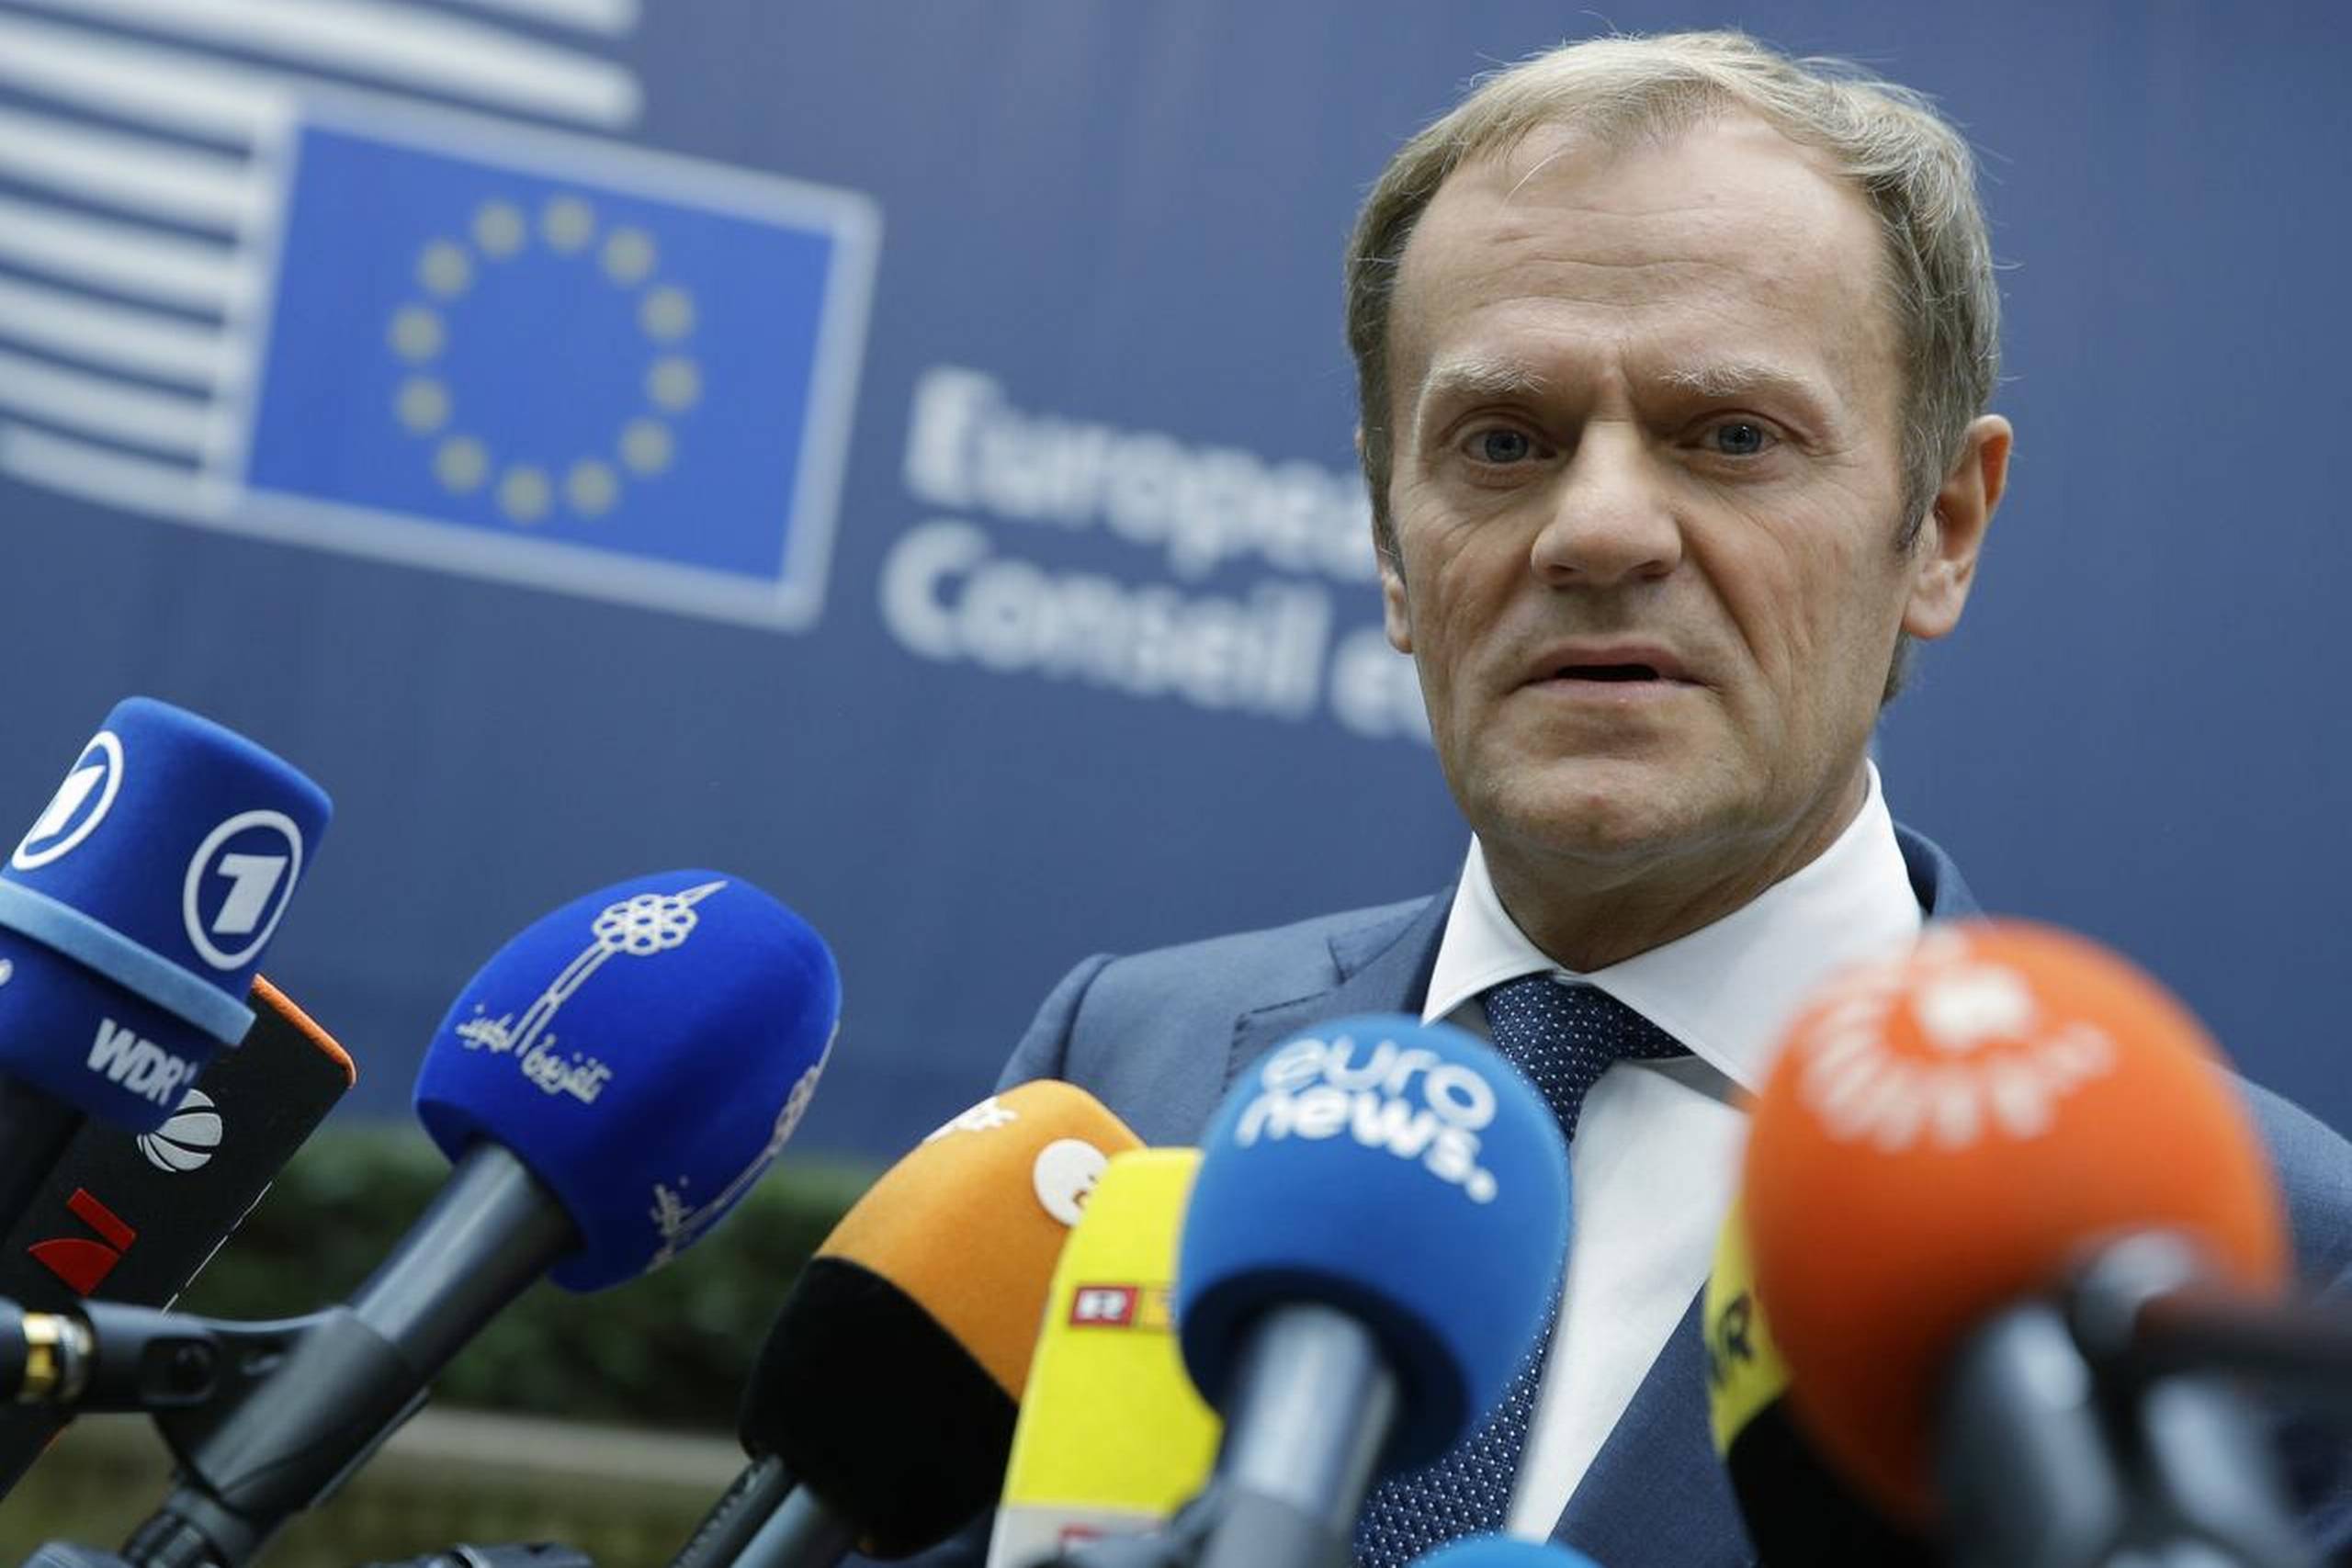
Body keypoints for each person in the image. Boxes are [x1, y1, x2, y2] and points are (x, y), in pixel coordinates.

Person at [920, 29, 2352, 1567]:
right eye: (1502, 442)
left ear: (1941, 527)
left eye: (1731, 437)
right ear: (1391, 545)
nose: (1596, 529)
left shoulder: (2278, 1262)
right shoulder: (1126, 1067)